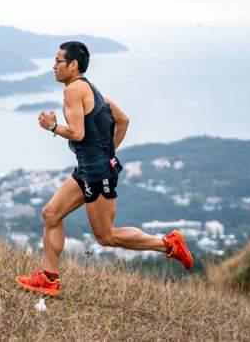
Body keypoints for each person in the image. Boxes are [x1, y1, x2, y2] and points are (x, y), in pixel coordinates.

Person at [16, 41, 193, 296]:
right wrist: (108, 153)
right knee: (51, 214)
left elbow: (77, 132)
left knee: (106, 237)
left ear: (73, 65)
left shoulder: (75, 90)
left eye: (58, 61)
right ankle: (49, 278)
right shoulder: (92, 89)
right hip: (89, 168)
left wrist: (53, 127)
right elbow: (123, 120)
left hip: (96, 173)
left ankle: (168, 245)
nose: (53, 67)